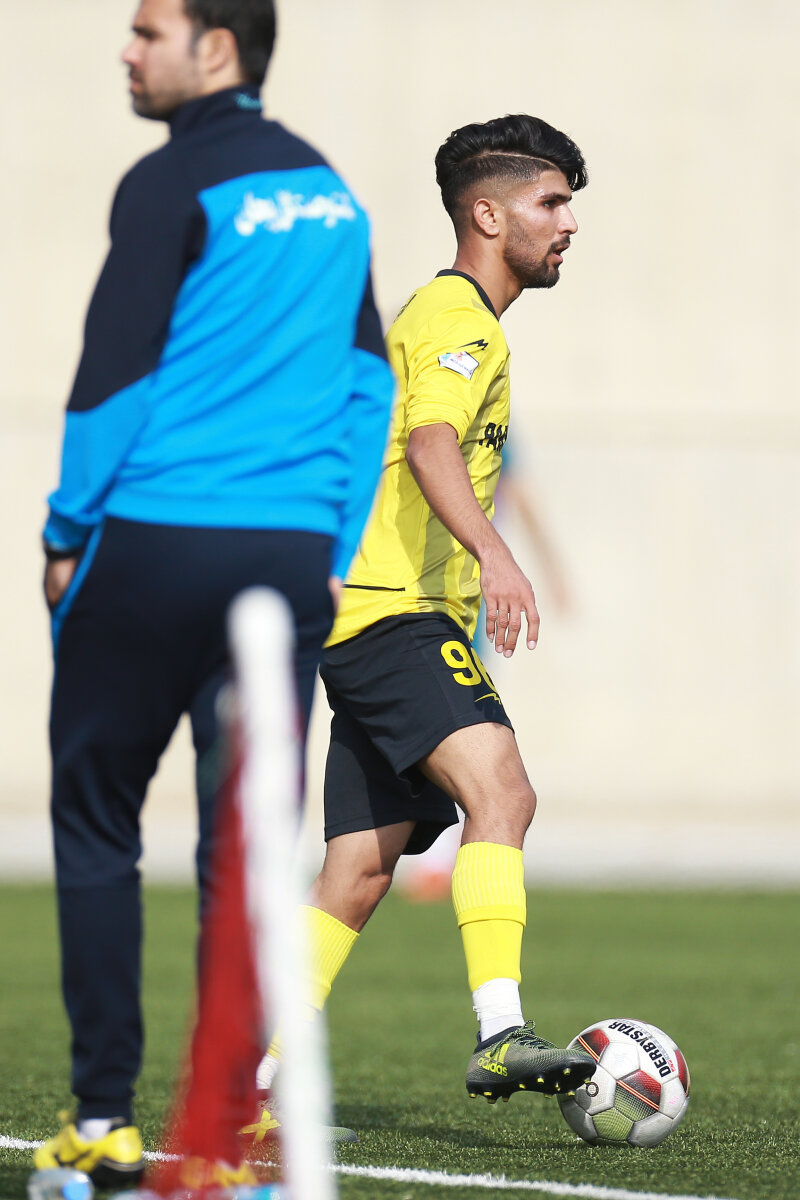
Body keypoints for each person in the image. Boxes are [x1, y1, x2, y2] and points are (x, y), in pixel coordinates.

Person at [35, 0, 393, 1185]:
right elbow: (368, 385)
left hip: (153, 543)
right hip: (284, 563)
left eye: (149, 31)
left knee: (96, 820)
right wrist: (330, 544)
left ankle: (103, 1118)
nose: (128, 50)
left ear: (217, 48)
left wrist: (63, 530)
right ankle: (226, 1128)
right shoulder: (332, 193)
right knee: (243, 849)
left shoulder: (168, 182)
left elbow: (113, 377)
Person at [246, 113, 593, 1135]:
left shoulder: (451, 317)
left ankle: (251, 1089)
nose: (567, 224)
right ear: (486, 215)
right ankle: (500, 1029)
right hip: (397, 616)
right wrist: (494, 553)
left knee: (355, 875)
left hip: (364, 620)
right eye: (550, 203)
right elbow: (432, 440)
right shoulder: (457, 317)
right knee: (504, 791)